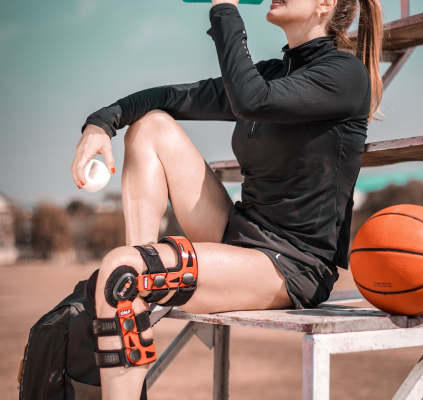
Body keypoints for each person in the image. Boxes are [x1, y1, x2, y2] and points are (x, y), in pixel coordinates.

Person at [70, 0, 383, 398]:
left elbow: (251, 99)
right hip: (240, 233)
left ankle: (137, 283)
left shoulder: (345, 74)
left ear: (326, 4)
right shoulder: (273, 74)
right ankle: (141, 287)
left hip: (291, 264)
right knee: (150, 126)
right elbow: (174, 96)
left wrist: (224, 10)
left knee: (123, 275)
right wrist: (101, 122)